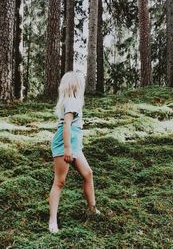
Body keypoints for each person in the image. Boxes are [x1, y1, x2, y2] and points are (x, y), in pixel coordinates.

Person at [48, 71, 100, 233]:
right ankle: (52, 221)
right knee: (59, 182)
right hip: (65, 144)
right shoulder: (72, 102)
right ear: (77, 86)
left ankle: (92, 208)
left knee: (88, 174)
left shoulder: (72, 101)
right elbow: (66, 125)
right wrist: (67, 148)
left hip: (74, 145)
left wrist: (73, 147)